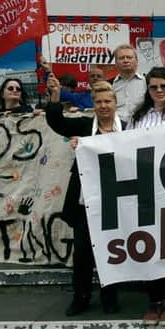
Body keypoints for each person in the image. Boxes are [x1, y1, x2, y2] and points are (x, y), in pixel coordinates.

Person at [46, 76, 121, 316]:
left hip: (115, 203)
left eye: (107, 101)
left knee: (112, 253)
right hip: (85, 202)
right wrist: (56, 97)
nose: (103, 106)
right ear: (94, 104)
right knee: (82, 255)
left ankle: (110, 297)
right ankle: (81, 297)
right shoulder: (82, 127)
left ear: (115, 103)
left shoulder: (129, 129)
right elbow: (57, 122)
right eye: (98, 101)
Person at [127, 67, 165, 326]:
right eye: (154, 87)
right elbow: (122, 145)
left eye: (164, 86)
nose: (159, 91)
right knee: (149, 245)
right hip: (146, 190)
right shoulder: (138, 117)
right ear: (148, 89)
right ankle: (154, 299)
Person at [112, 44, 146, 123]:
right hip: (115, 125)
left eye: (129, 57)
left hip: (139, 124)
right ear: (116, 63)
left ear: (136, 61)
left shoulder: (146, 82)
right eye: (121, 58)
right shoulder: (110, 84)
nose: (125, 60)